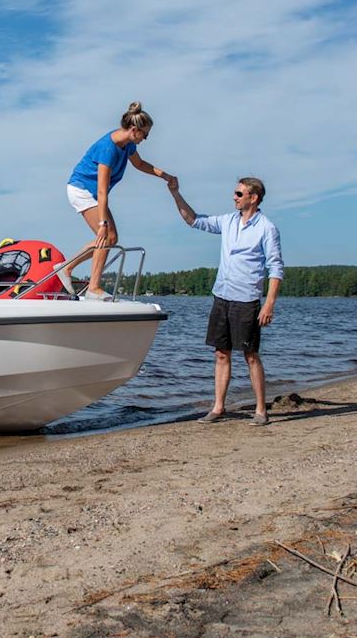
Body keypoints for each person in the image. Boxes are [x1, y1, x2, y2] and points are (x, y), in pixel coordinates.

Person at [167, 176, 284, 425]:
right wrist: (176, 194)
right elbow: (194, 220)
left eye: (239, 194)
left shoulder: (267, 228)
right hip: (222, 296)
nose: (234, 197)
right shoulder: (228, 221)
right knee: (221, 353)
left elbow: (275, 268)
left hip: (247, 299)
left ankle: (261, 410)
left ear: (254, 198)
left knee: (250, 355)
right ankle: (218, 407)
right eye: (235, 193)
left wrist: (269, 304)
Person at [67, 102, 171, 299]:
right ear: (134, 130)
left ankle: (66, 269)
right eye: (145, 135)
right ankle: (92, 288)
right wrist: (102, 223)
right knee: (106, 236)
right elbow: (102, 190)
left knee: (111, 238)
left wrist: (165, 176)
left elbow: (139, 164)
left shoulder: (127, 144)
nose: (145, 139)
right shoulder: (108, 149)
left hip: (94, 193)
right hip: (82, 190)